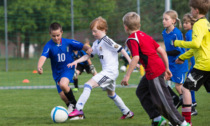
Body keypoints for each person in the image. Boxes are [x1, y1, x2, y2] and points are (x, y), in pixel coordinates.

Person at [121, 12, 190, 126]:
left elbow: (136, 57)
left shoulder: (132, 39)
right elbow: (162, 51)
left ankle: (182, 123)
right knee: (141, 91)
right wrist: (166, 68)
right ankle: (158, 119)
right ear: (139, 25)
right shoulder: (144, 35)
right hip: (154, 69)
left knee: (163, 102)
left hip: (154, 71)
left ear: (126, 26)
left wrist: (127, 75)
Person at [68, 16, 134, 120]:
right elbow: (87, 56)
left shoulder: (107, 40)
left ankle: (79, 109)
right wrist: (76, 61)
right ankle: (127, 112)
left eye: (95, 31)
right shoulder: (96, 43)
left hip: (110, 72)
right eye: (92, 32)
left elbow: (121, 49)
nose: (93, 34)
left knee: (88, 85)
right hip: (109, 72)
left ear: (103, 30)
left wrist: (131, 62)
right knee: (111, 94)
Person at [37, 22, 91, 114]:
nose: (56, 38)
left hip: (68, 68)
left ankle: (75, 105)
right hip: (57, 73)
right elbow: (43, 56)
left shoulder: (68, 42)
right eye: (54, 36)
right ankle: (75, 113)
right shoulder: (49, 45)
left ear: (61, 32)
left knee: (63, 84)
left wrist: (88, 49)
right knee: (63, 97)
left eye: (58, 35)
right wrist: (39, 66)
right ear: (50, 34)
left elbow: (82, 46)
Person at [174, 0, 210, 125]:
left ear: (196, 10)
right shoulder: (206, 23)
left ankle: (187, 122)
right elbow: (197, 48)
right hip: (208, 63)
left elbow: (195, 44)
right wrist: (183, 57)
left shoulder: (199, 25)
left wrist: (178, 43)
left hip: (202, 64)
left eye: (191, 9)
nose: (190, 11)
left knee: (185, 89)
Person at [162, 10, 188, 109]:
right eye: (163, 19)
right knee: (162, 80)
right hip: (170, 62)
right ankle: (176, 99)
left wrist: (164, 53)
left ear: (173, 21)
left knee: (178, 86)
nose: (163, 21)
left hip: (178, 63)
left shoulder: (176, 33)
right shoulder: (164, 32)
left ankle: (189, 105)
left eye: (166, 19)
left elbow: (177, 51)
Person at [182, 13, 197, 116]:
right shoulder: (194, 32)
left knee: (187, 85)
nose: (184, 24)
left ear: (192, 24)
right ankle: (193, 102)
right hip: (196, 62)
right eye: (183, 22)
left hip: (196, 65)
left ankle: (192, 105)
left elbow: (191, 47)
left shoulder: (188, 34)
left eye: (186, 23)